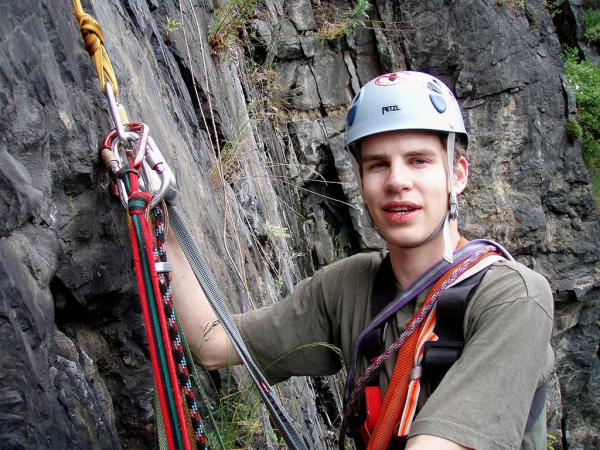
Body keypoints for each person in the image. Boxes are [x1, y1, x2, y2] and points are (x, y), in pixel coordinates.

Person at [166, 71, 554, 449]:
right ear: (362, 182)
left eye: (419, 161)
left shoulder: (513, 298)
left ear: (458, 175)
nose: (397, 181)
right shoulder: (348, 288)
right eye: (378, 164)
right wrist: (165, 223)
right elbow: (212, 345)